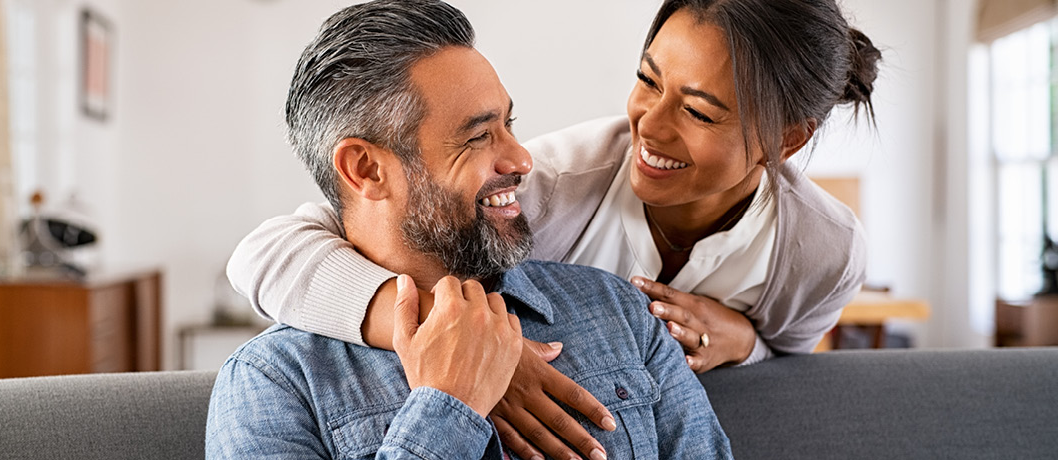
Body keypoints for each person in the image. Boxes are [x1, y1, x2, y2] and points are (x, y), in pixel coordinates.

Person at [227, 0, 880, 458]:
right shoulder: (551, 186)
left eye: (702, 112)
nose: (649, 127)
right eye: (647, 81)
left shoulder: (638, 311)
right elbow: (283, 246)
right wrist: (453, 353)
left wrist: (746, 341)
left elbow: (782, 365)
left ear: (785, 143)